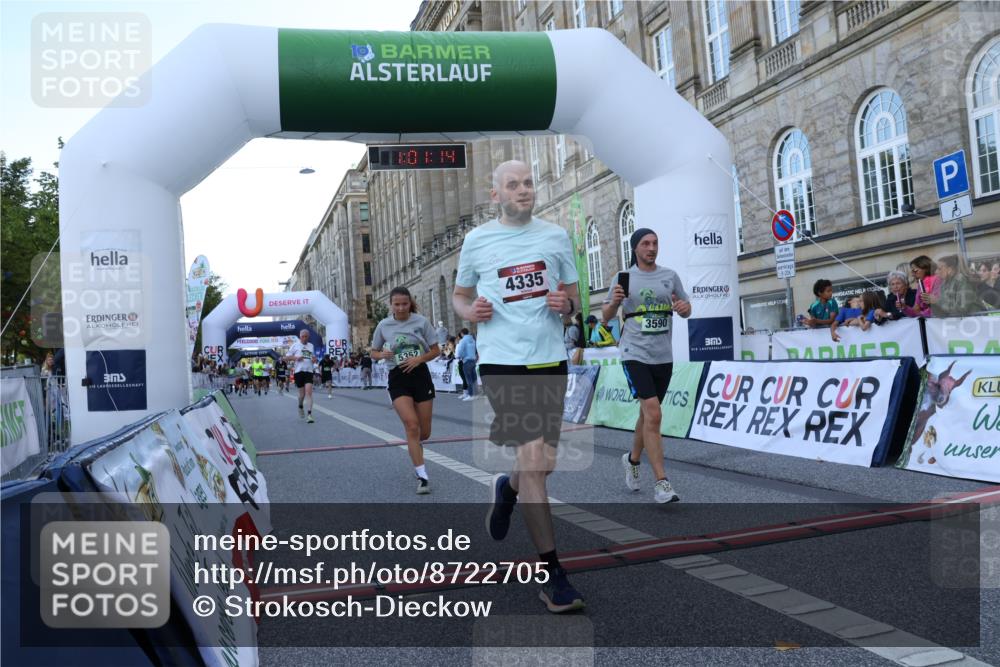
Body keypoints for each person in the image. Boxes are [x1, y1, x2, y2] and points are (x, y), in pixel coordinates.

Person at [453, 159, 584, 613]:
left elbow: (574, 297)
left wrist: (565, 304)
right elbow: (460, 295)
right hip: (502, 361)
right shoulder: (478, 241)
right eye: (513, 185)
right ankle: (552, 576)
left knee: (539, 469)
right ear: (496, 195)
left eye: (528, 182)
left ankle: (507, 489)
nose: (524, 190)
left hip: (549, 358)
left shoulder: (555, 236)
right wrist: (470, 314)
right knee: (533, 460)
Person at [603, 227, 692, 504]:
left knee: (647, 415)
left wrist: (684, 309)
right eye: (645, 244)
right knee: (653, 414)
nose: (651, 248)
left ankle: (632, 460)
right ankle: (662, 483)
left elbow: (687, 306)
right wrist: (614, 303)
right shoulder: (624, 278)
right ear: (635, 248)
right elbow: (605, 316)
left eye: (655, 243)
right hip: (634, 353)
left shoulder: (669, 276)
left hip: (663, 355)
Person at [371, 286, 441, 494]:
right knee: (412, 426)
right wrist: (383, 355)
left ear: (410, 303)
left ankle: (416, 453)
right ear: (390, 305)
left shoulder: (421, 322)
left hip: (420, 375)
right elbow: (373, 352)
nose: (401, 308)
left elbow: (436, 350)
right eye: (396, 304)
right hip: (398, 377)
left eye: (405, 304)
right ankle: (422, 476)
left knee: (424, 432)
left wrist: (419, 358)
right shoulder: (384, 325)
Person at [285, 329, 317, 423]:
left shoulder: (311, 346)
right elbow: (286, 357)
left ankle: (310, 414)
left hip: (309, 371)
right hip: (299, 372)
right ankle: (300, 406)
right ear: (300, 337)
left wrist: (314, 359)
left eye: (306, 336)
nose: (304, 338)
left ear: (308, 336)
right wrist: (296, 358)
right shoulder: (295, 345)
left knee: (309, 393)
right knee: (302, 395)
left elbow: (313, 357)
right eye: (302, 336)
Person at [455, 327, 478, 401]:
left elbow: (460, 350)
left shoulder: (463, 340)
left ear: (462, 333)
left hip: (466, 360)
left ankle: (471, 395)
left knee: (468, 379)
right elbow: (475, 349)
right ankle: (475, 394)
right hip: (473, 360)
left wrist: (459, 356)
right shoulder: (473, 340)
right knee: (474, 378)